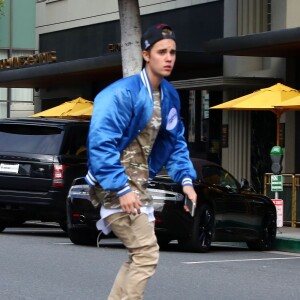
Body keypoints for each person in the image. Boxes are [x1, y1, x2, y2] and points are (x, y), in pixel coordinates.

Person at [85, 23, 197, 300]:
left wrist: (185, 180)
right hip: (116, 187)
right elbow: (101, 143)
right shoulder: (121, 93)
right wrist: (121, 188)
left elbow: (175, 139)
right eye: (161, 52)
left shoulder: (169, 95)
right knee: (146, 255)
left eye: (172, 52)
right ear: (146, 55)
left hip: (139, 186)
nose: (169, 57)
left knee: (139, 256)